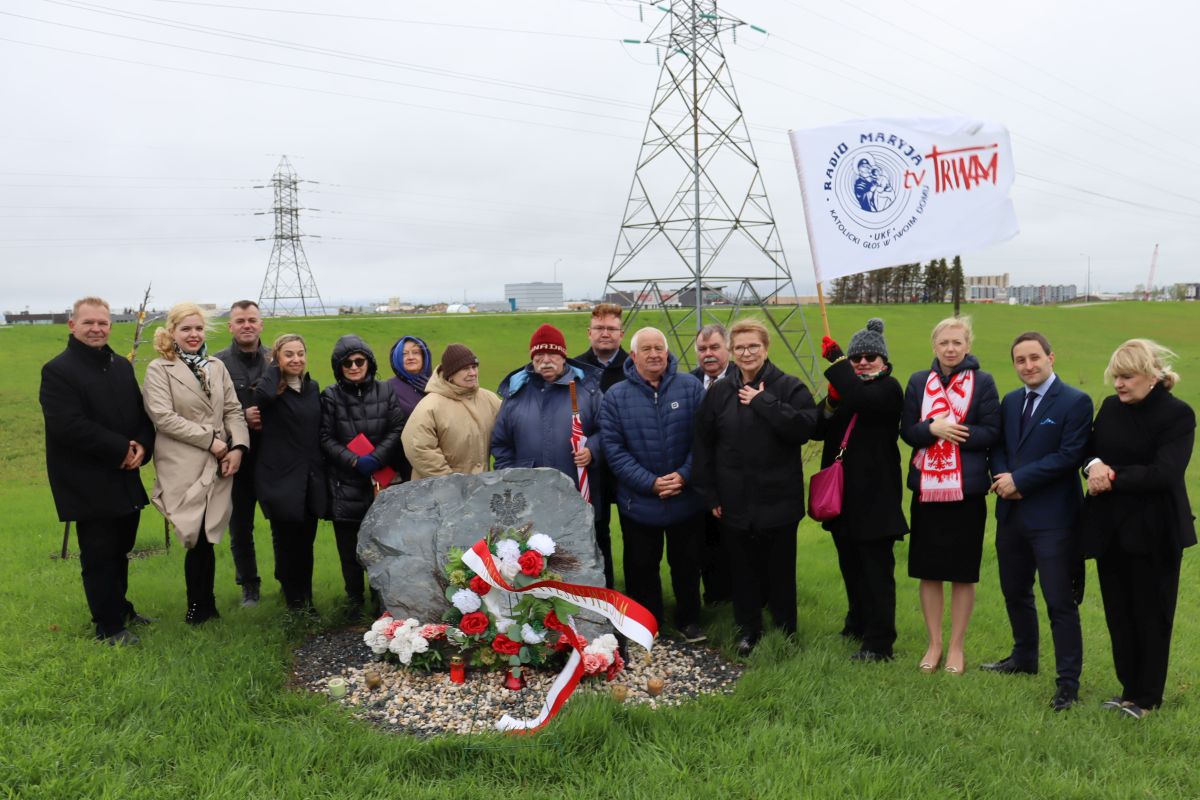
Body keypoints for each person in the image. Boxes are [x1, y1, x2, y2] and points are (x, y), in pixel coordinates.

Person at [1080, 339, 1195, 719]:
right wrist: (1094, 465)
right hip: (1110, 529)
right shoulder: (1111, 408)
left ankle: (1147, 699)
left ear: (1151, 376)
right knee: (1119, 613)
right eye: (1116, 377)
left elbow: (1165, 472)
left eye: (1127, 377)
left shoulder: (1178, 415)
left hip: (1156, 532)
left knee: (1152, 615)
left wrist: (1111, 476)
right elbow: (1089, 450)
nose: (1119, 384)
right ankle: (1128, 690)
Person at [693, 318, 818, 655]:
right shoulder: (720, 392)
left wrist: (764, 403)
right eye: (740, 347)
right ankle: (749, 629)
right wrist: (710, 494)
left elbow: (804, 428)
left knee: (780, 569)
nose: (747, 353)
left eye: (753, 346)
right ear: (731, 352)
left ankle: (785, 629)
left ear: (766, 348)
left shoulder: (789, 387)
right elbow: (703, 444)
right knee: (743, 569)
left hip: (779, 498)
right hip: (734, 498)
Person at [983, 332, 1093, 711]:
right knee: (1015, 591)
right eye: (1020, 360)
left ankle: (1068, 684)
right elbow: (998, 447)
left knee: (1059, 600)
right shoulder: (1011, 401)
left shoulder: (1075, 401)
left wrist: (1020, 481)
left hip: (1054, 519)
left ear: (1050, 357)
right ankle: (1024, 657)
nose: (1028, 366)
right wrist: (1003, 479)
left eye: (1034, 358)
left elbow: (1069, 455)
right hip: (1011, 514)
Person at [40, 296, 156, 645]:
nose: (96, 329)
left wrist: (142, 445)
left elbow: (140, 414)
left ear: (110, 326)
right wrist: (120, 448)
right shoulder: (58, 370)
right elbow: (67, 425)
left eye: (102, 323)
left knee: (121, 547)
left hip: (125, 476)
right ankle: (108, 627)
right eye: (88, 322)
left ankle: (120, 609)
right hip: (87, 480)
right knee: (99, 554)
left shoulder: (121, 366)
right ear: (72, 325)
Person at [901, 316, 1000, 674]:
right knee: (929, 571)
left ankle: (957, 647)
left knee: (962, 572)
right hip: (927, 490)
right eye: (944, 342)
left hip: (966, 491)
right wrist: (931, 428)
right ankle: (935, 644)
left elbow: (992, 431)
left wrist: (953, 431)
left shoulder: (983, 382)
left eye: (957, 342)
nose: (950, 348)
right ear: (934, 346)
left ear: (968, 345)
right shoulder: (918, 381)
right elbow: (907, 431)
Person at [143, 302, 250, 624]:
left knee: (209, 532)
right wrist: (211, 441)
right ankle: (198, 606)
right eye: (186, 329)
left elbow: (232, 410)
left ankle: (205, 606)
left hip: (219, 461)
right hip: (183, 462)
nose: (193, 334)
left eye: (198, 328)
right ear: (172, 332)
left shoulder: (216, 366)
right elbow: (163, 417)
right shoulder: (159, 369)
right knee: (194, 534)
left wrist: (238, 447)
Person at [601, 326, 706, 642]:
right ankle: (647, 622)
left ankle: (690, 620)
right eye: (646, 349)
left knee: (687, 564)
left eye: (659, 348)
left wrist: (684, 475)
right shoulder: (616, 396)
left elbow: (703, 440)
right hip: (639, 502)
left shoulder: (690, 388)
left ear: (667, 352)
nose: (654, 354)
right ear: (633, 356)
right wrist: (650, 483)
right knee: (641, 566)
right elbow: (613, 449)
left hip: (685, 498)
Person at [815, 318, 907, 663]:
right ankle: (857, 622)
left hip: (876, 500)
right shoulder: (847, 391)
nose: (863, 362)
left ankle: (879, 642)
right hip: (843, 498)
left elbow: (863, 398)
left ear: (884, 361)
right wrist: (830, 400)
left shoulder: (888, 388)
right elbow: (816, 428)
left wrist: (839, 362)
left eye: (871, 357)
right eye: (856, 358)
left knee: (876, 573)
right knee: (851, 567)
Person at [319, 335, 407, 615]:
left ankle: (381, 600)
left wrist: (377, 457)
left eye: (359, 361)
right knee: (349, 548)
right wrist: (354, 460)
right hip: (345, 481)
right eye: (347, 363)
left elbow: (397, 427)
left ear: (369, 362)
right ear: (339, 367)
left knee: (382, 543)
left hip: (381, 481)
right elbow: (325, 437)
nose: (354, 367)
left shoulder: (385, 391)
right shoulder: (330, 396)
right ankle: (354, 600)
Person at [249, 334, 327, 613]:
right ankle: (294, 603)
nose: (296, 359)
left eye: (300, 354)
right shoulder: (270, 390)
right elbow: (263, 396)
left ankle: (306, 599)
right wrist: (274, 368)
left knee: (306, 543)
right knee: (286, 543)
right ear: (277, 359)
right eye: (288, 354)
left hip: (309, 479)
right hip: (280, 479)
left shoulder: (312, 388)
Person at [492, 323, 603, 492]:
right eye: (539, 355)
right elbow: (501, 445)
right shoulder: (515, 394)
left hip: (578, 489)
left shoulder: (589, 390)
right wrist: (512, 480)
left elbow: (608, 431)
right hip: (529, 493)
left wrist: (591, 450)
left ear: (563, 357)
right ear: (532, 358)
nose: (545, 360)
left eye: (552, 354)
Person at [213, 300, 271, 608]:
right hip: (237, 458)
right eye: (240, 321)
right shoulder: (217, 364)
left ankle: (290, 582)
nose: (246, 325)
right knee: (240, 527)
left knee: (283, 522)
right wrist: (240, 419)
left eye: (252, 320)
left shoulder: (276, 359)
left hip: (273, 457)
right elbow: (209, 412)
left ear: (261, 324)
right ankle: (249, 586)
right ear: (230, 326)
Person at [574, 303, 629, 588]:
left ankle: (638, 595)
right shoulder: (575, 370)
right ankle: (603, 591)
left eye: (611, 328)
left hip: (628, 465)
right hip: (591, 466)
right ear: (589, 332)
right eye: (599, 328)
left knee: (635, 534)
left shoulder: (635, 367)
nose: (605, 333)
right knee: (596, 531)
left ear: (621, 333)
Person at [402, 343, 502, 480]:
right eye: (465, 369)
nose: (472, 373)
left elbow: (508, 432)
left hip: (479, 487)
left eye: (474, 367)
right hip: (437, 489)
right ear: (451, 375)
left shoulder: (490, 400)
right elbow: (418, 448)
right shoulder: (430, 406)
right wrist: (451, 481)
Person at [690, 323, 735, 605]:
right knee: (705, 542)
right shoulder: (689, 383)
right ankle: (715, 597)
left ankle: (745, 598)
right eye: (702, 348)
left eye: (715, 347)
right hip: (700, 477)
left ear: (727, 348)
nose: (708, 354)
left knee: (738, 543)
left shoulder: (744, 379)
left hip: (737, 476)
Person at [384, 335, 431, 481]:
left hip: (438, 461)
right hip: (402, 465)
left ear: (424, 356)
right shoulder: (387, 389)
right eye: (404, 354)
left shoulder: (439, 384)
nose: (410, 357)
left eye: (416, 352)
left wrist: (434, 390)